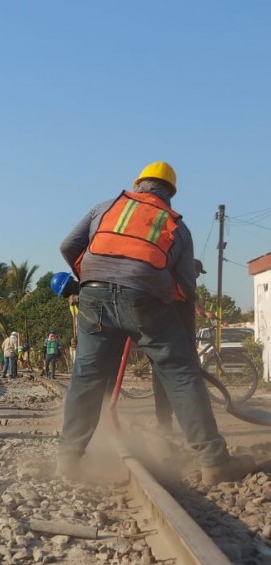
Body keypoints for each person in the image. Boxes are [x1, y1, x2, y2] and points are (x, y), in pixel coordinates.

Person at [57, 161, 252, 485]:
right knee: (181, 375)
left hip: (93, 297)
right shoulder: (176, 227)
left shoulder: (105, 208)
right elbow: (187, 289)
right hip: (145, 301)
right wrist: (162, 291)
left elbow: (68, 246)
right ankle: (214, 462)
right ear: (170, 193)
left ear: (138, 184)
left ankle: (68, 460)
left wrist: (92, 275)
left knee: (87, 376)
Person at [153, 258, 214, 433]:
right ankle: (195, 428)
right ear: (189, 270)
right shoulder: (181, 284)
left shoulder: (178, 283)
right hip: (178, 341)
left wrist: (204, 311)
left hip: (170, 340)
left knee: (164, 378)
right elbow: (195, 305)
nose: (196, 276)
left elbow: (197, 306)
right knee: (186, 381)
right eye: (195, 272)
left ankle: (166, 423)